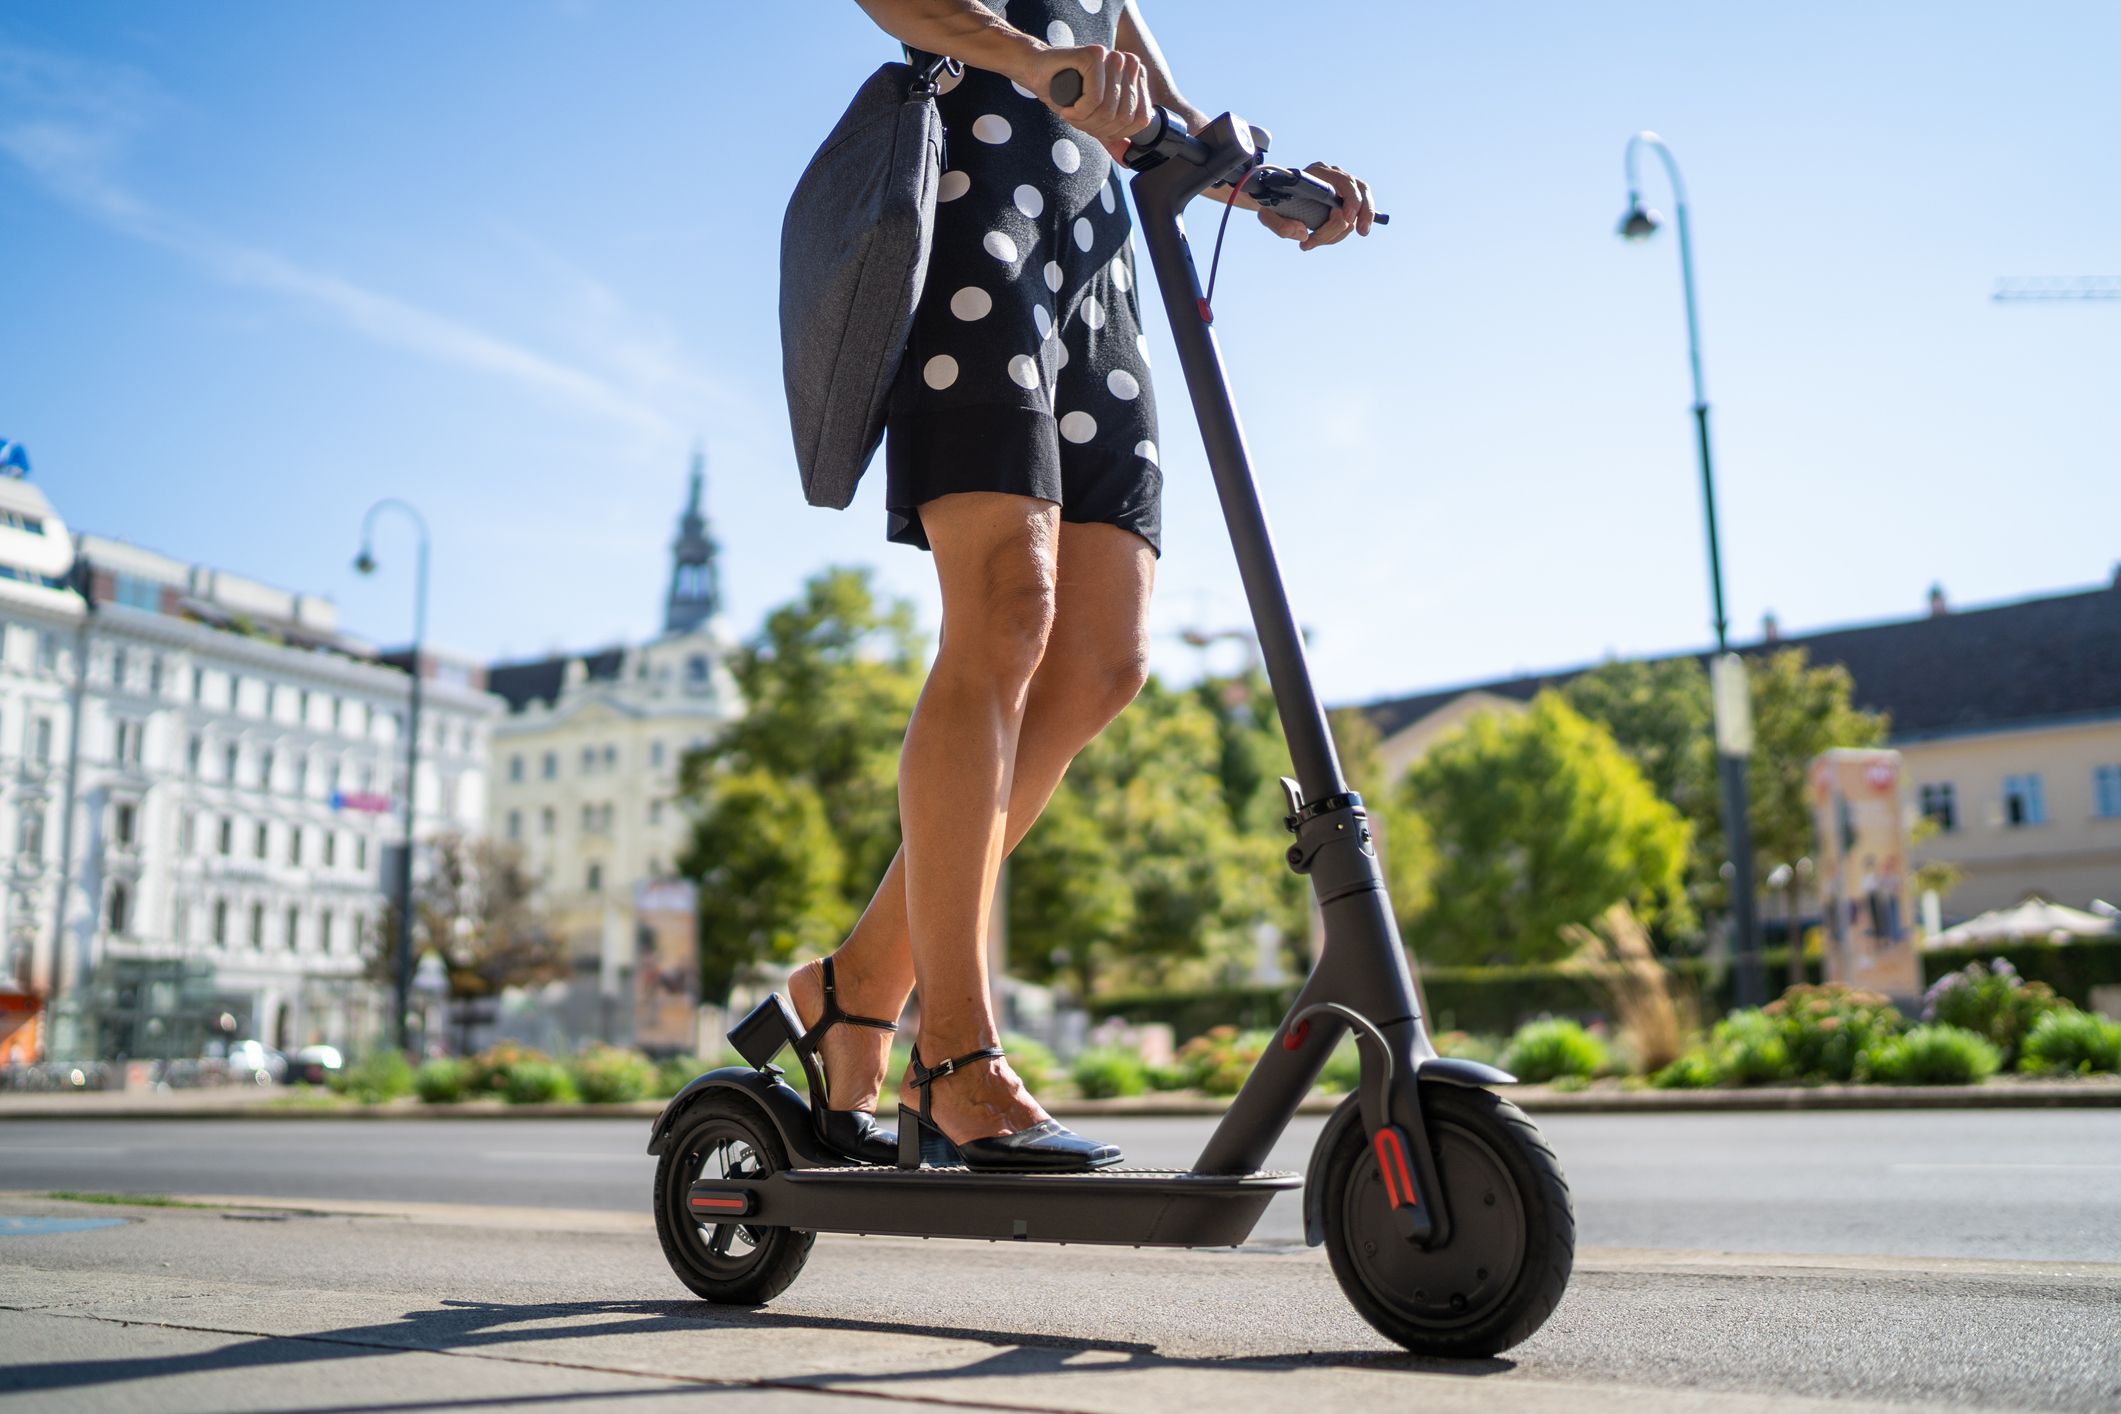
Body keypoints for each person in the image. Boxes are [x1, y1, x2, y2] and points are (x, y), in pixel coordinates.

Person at [789, 0, 1378, 1171]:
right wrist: (1031, 60)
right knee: (1008, 608)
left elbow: (1142, 94)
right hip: (968, 213)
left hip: (1093, 257)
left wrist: (1256, 180)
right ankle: (950, 1049)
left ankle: (855, 986)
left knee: (1107, 660)